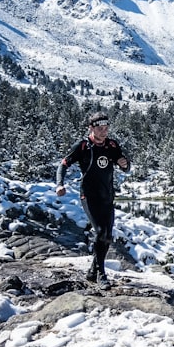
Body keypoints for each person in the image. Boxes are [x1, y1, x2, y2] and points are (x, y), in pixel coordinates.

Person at [55, 111, 131, 287]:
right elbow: (63, 164)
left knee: (107, 236)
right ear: (91, 128)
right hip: (89, 196)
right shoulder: (82, 146)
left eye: (106, 128)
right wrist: (60, 184)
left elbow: (125, 166)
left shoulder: (112, 145)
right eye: (100, 128)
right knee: (100, 233)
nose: (104, 132)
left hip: (107, 196)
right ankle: (101, 274)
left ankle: (92, 271)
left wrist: (125, 164)